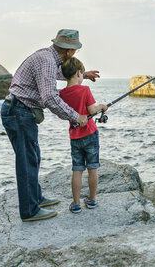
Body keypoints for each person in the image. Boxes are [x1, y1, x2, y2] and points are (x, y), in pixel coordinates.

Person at [1, 29, 99, 222]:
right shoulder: (47, 60)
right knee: (27, 161)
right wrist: (76, 117)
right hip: (19, 112)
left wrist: (83, 75)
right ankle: (29, 211)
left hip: (20, 111)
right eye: (75, 51)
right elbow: (50, 98)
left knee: (33, 157)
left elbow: (57, 74)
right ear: (69, 52)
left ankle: (36, 198)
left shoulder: (49, 58)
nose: (74, 55)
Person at [59, 57, 108, 213]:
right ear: (79, 73)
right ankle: (92, 200)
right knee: (93, 168)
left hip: (74, 136)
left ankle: (76, 203)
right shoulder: (85, 90)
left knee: (77, 169)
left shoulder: (62, 94)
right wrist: (102, 106)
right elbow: (92, 110)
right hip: (90, 134)